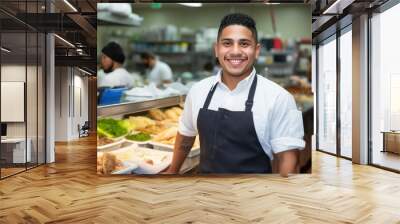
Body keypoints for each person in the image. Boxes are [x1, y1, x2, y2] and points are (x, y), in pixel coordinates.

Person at [164, 13, 305, 176]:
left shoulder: (279, 98)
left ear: (257, 50)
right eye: (227, 43)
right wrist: (173, 171)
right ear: (216, 49)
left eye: (244, 44)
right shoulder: (198, 91)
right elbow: (185, 135)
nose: (235, 51)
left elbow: (289, 161)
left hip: (255, 196)